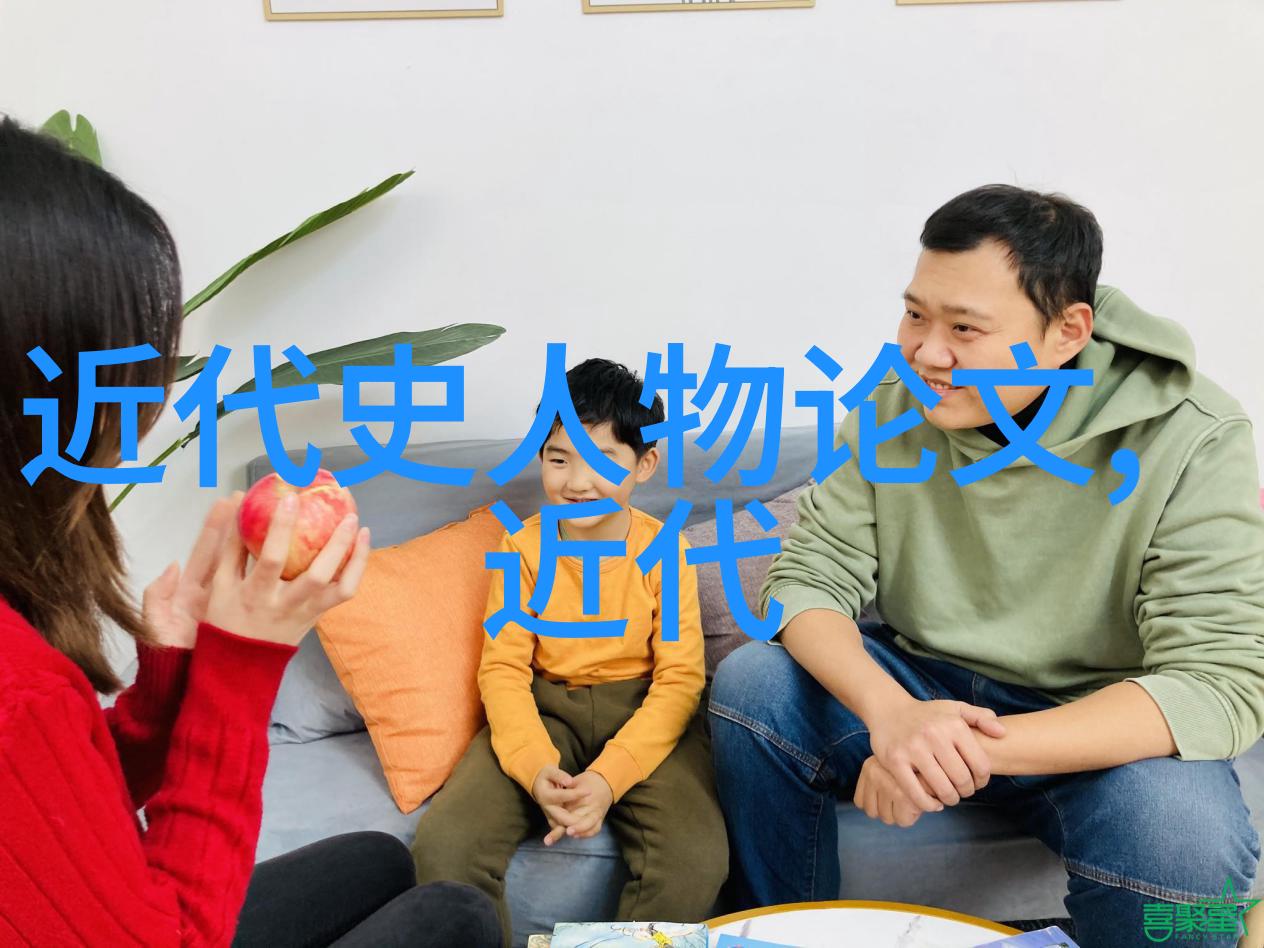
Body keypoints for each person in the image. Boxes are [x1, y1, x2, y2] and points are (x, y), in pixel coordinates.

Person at [709, 185, 1264, 948]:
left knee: (1182, 842)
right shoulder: (891, 404)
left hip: (1096, 720)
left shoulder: (1195, 434)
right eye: (915, 315)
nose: (927, 354)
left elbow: (1216, 681)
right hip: (925, 682)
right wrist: (893, 716)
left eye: (965, 328)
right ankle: (780, 938)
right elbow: (807, 579)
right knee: (755, 686)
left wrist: (945, 748)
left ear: (1067, 332)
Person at [0, 116, 500, 947]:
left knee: (378, 860)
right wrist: (242, 666)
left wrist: (169, 687)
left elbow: (48, 821)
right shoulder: (20, 694)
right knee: (455, 915)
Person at [412, 358, 729, 947]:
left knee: (695, 858)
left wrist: (608, 779)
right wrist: (536, 770)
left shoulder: (665, 550)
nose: (578, 482)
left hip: (644, 712)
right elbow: (503, 670)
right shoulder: (522, 548)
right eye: (559, 459)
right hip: (544, 708)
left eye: (603, 460)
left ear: (644, 463)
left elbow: (681, 680)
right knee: (445, 845)